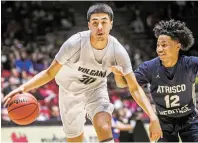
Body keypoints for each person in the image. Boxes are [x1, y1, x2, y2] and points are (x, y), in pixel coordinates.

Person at [3, 3, 162, 143]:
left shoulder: (118, 51)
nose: (100, 27)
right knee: (74, 140)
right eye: (95, 22)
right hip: (69, 92)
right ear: (89, 25)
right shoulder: (74, 43)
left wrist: (153, 117)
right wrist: (23, 88)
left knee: (104, 126)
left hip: (96, 89)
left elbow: (132, 87)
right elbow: (49, 73)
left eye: (104, 22)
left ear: (111, 24)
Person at [113, 19, 198, 142]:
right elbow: (122, 84)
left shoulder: (190, 63)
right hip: (164, 121)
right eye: (158, 45)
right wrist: (117, 73)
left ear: (178, 46)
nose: (160, 49)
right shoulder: (149, 67)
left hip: (189, 119)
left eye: (164, 45)